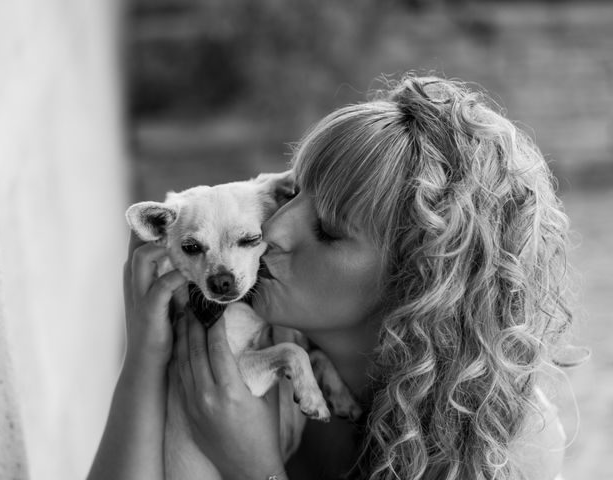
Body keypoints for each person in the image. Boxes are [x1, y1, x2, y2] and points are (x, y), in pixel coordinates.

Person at [88, 74, 575, 480]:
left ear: (419, 281)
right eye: (293, 193)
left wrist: (254, 467)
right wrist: (145, 361)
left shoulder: (505, 440)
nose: (273, 229)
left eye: (326, 229)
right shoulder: (261, 341)